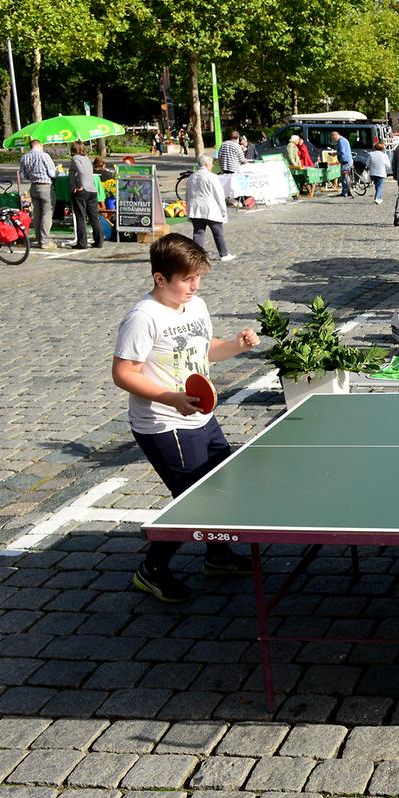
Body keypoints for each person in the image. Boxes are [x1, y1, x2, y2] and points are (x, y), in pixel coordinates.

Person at [113, 234, 261, 602]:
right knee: (194, 501)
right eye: (186, 279)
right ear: (160, 278)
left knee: (222, 486)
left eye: (198, 278)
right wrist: (171, 398)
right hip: (165, 424)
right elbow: (123, 373)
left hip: (200, 415)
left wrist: (236, 346)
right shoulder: (142, 318)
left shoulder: (196, 306)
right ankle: (152, 571)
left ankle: (218, 555)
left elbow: (205, 350)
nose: (194, 286)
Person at [185, 155, 235, 261]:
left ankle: (199, 256)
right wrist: (223, 210)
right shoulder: (212, 177)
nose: (212, 165)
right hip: (210, 208)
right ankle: (223, 254)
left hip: (196, 209)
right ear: (207, 164)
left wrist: (188, 209)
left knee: (198, 233)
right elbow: (219, 195)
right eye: (211, 163)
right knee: (218, 232)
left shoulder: (191, 177)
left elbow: (188, 195)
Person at [19, 139, 57, 249]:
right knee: (47, 213)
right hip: (45, 187)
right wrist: (57, 171)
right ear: (39, 145)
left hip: (33, 188)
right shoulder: (44, 156)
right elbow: (52, 173)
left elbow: (24, 176)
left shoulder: (24, 157)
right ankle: (45, 241)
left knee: (37, 213)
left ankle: (38, 237)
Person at [67, 142, 104, 251]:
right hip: (92, 190)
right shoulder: (86, 158)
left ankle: (82, 243)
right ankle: (99, 241)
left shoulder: (75, 159)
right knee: (94, 217)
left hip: (82, 191)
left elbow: (81, 172)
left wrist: (80, 185)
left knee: (81, 217)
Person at [366, 140, 390, 205]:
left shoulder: (371, 154)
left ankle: (379, 197)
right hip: (381, 172)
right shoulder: (384, 155)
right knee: (379, 186)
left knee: (377, 186)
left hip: (372, 173)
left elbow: (367, 163)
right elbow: (388, 166)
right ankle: (377, 198)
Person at [331, 130, 354, 197]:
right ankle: (348, 191)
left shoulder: (341, 141)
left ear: (335, 136)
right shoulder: (344, 140)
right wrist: (335, 153)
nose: (333, 140)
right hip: (348, 160)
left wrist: (339, 158)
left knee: (344, 177)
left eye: (333, 138)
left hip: (345, 161)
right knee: (347, 177)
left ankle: (345, 192)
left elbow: (342, 152)